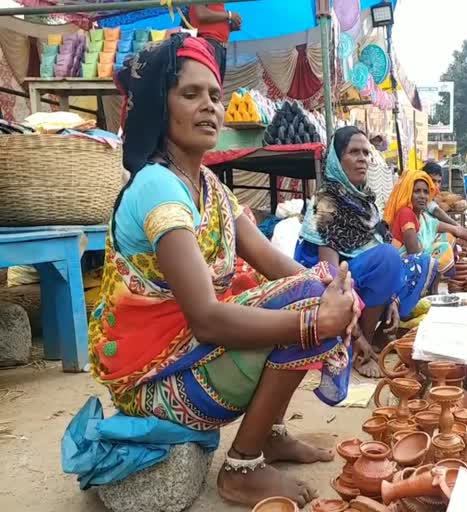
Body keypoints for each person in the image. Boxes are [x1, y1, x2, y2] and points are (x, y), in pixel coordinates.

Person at [89, 35, 358, 507]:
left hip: (186, 355)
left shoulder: (209, 186)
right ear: (159, 103)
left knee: (311, 290)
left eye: (215, 95)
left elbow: (276, 265)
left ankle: (269, 435)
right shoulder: (158, 187)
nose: (209, 106)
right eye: (190, 94)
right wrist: (316, 320)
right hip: (152, 381)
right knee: (309, 313)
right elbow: (207, 320)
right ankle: (241, 468)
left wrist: (331, 286)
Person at [295, 126, 438, 377]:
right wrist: (358, 335)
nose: (363, 159)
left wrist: (391, 295)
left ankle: (381, 334)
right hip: (326, 286)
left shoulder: (366, 202)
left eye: (366, 153)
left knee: (421, 263)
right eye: (354, 152)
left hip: (358, 277)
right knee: (388, 258)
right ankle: (360, 347)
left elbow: (376, 250)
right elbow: (329, 275)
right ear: (337, 161)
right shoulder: (327, 201)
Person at [384, 171, 467, 278]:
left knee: (449, 237)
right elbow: (415, 256)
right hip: (401, 269)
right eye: (417, 191)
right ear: (408, 193)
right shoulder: (406, 214)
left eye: (425, 192)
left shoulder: (424, 218)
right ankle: (426, 288)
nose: (422, 196)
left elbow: (456, 230)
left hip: (416, 263)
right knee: (443, 251)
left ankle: (436, 282)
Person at [188, 3, 241, 78]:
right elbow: (202, 14)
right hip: (209, 43)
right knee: (210, 82)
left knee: (216, 84)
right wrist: (229, 15)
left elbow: (209, 22)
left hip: (218, 46)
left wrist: (229, 27)